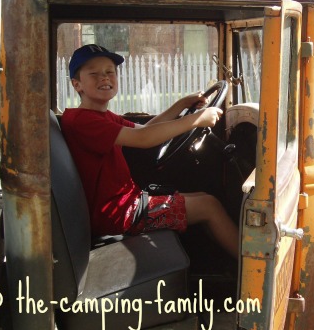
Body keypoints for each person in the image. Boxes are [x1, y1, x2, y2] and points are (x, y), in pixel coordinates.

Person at [61, 44, 238, 257]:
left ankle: (224, 264)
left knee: (203, 197)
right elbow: (143, 139)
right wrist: (195, 119)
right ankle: (253, 270)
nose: (105, 78)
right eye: (94, 74)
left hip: (124, 203)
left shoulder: (101, 116)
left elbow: (146, 129)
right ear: (77, 84)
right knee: (209, 206)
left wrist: (182, 104)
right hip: (120, 214)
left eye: (110, 72)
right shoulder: (83, 121)